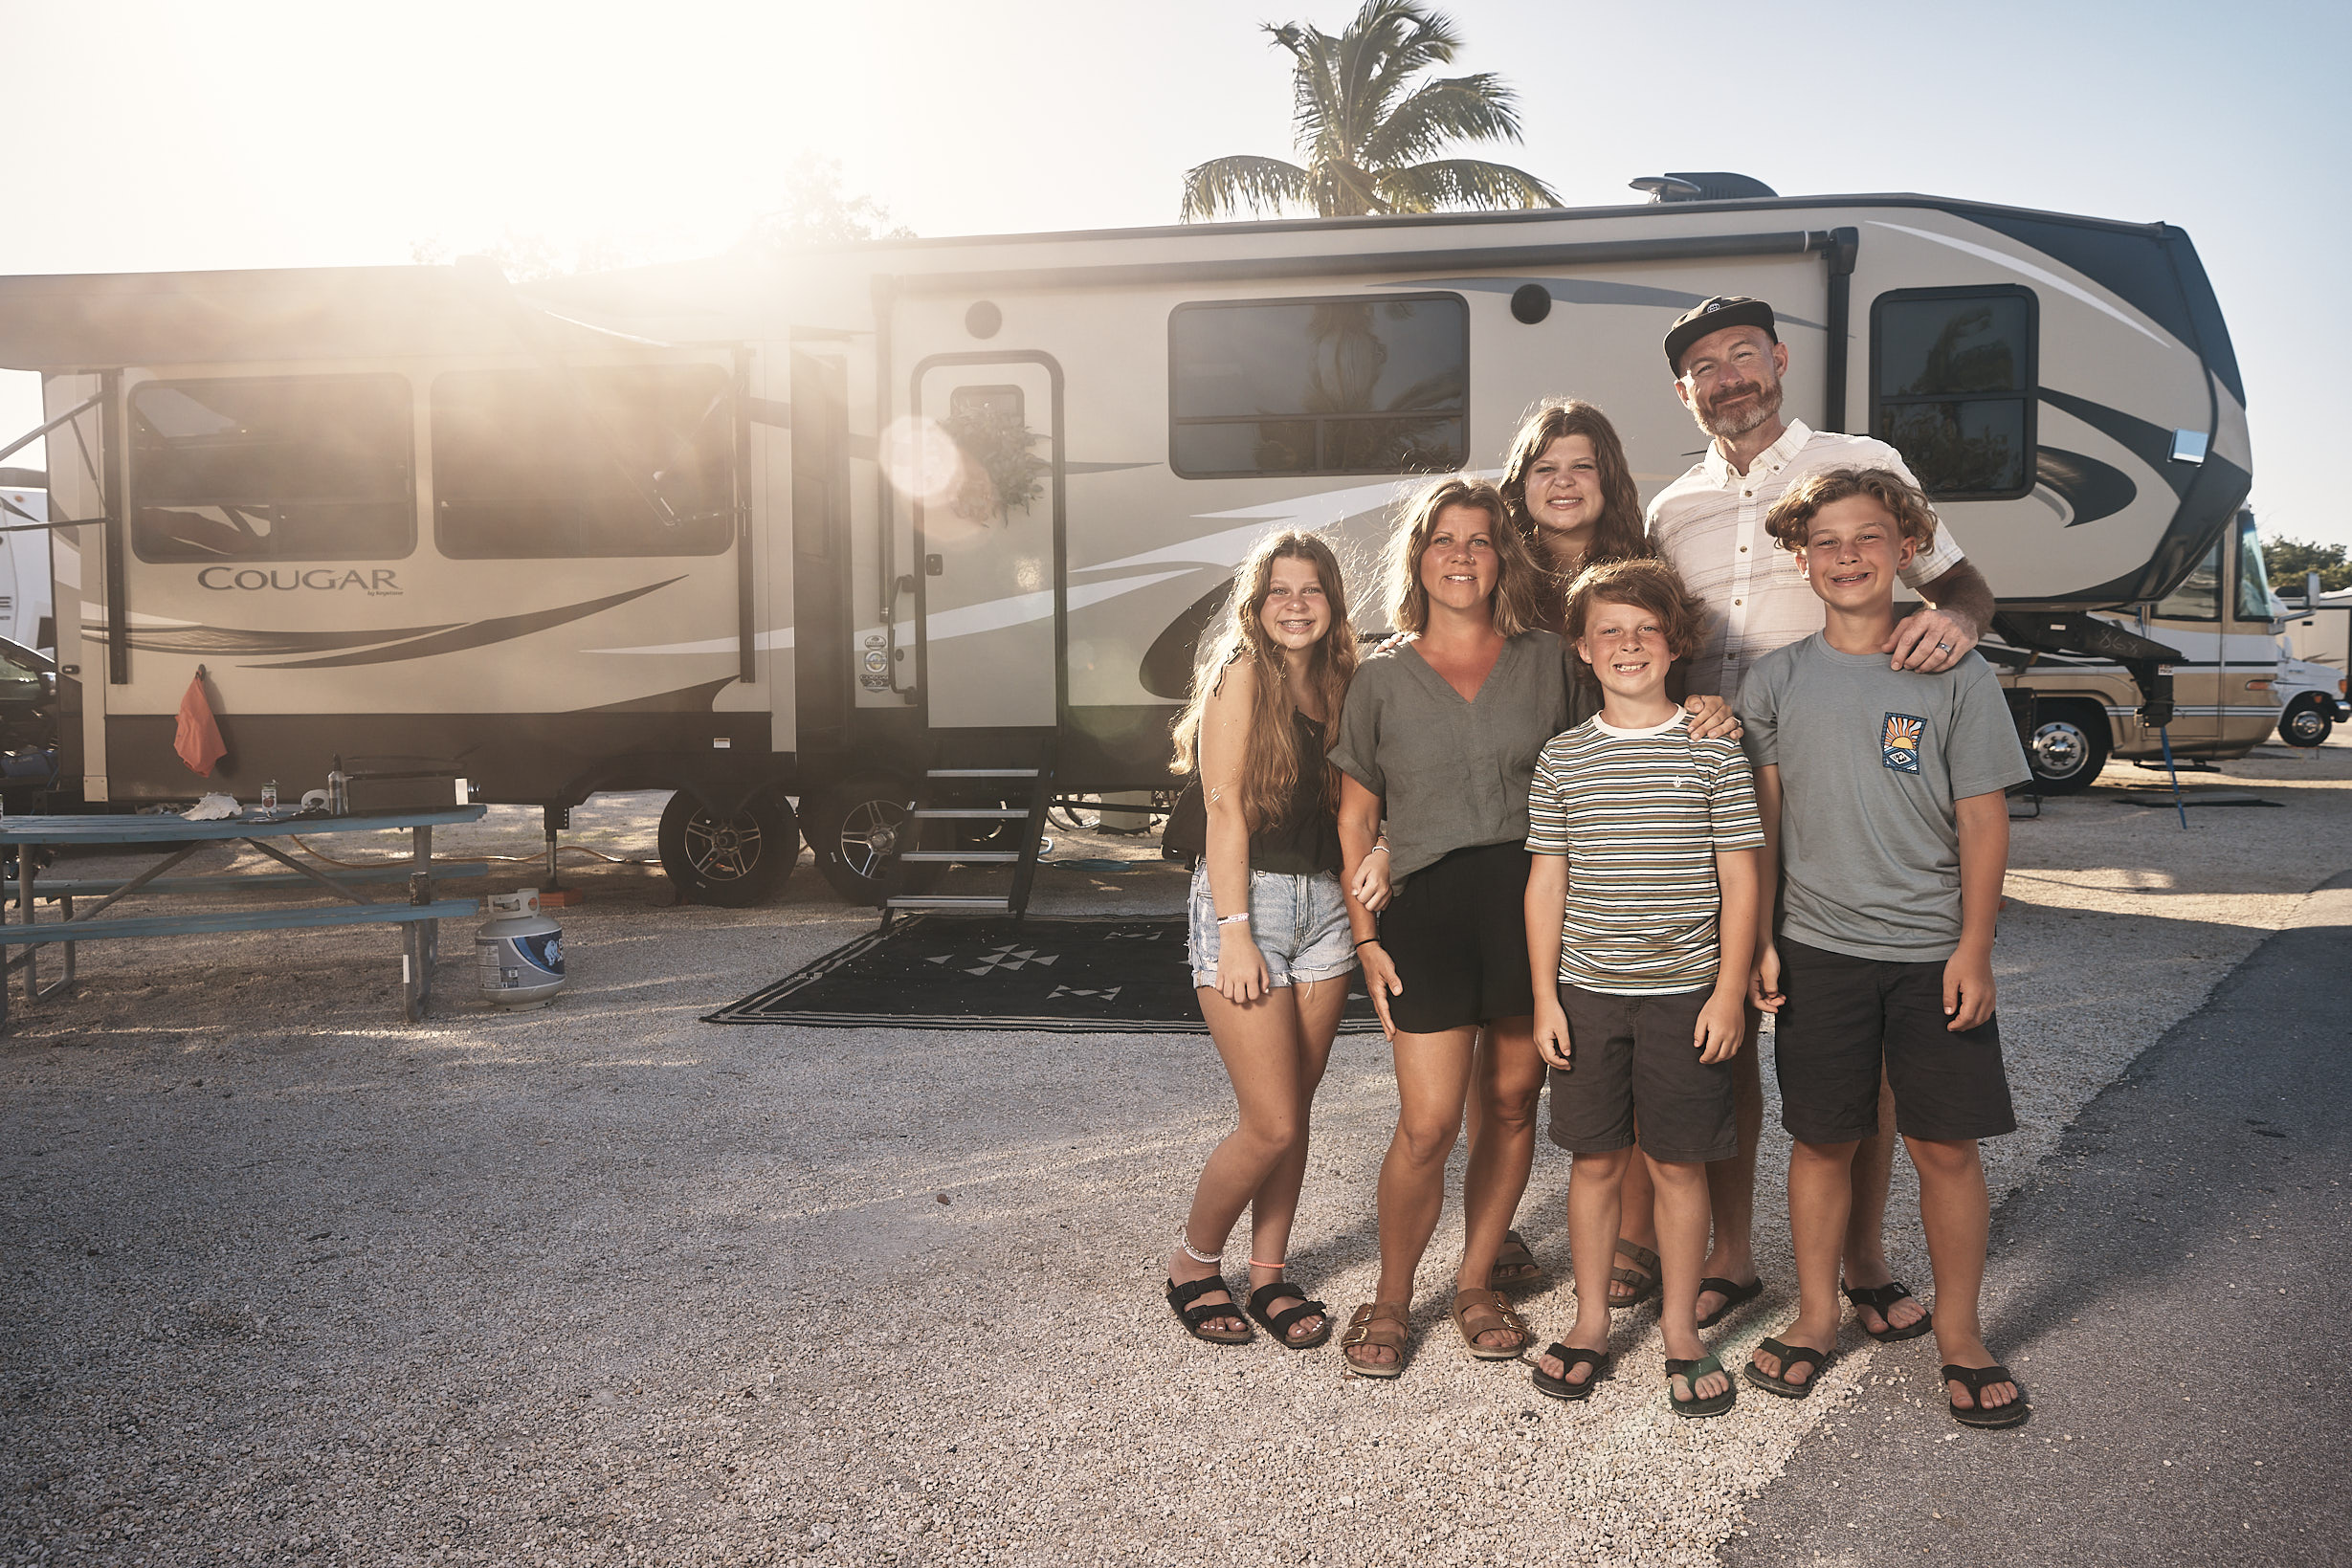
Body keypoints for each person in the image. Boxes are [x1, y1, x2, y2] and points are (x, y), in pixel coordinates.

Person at [1631, 295, 2000, 1336]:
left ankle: (1865, 1256)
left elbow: (1963, 582)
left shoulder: (1857, 459)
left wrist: (1955, 629)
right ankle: (1738, 1254)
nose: (1728, 375)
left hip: (1839, 789)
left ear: (1779, 359)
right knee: (1733, 1026)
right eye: (1704, 365)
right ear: (1685, 391)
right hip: (1718, 793)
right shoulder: (1672, 509)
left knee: (1859, 1031)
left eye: (1743, 353)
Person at [1736, 467, 2030, 1428]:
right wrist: (1764, 944)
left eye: (1868, 537)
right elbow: (1765, 825)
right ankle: (1818, 1312)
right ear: (1800, 558)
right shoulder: (1775, 678)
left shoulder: (1953, 669)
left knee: (1942, 1144)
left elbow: (1983, 821)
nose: (1848, 555)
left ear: (1907, 549)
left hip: (1929, 949)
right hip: (1817, 949)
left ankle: (1959, 1330)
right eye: (1826, 541)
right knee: (1822, 1137)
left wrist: (1974, 947)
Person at [1502, 396, 1744, 1307]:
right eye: (1544, 467)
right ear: (1522, 486)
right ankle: (1510, 1219)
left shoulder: (1642, 571)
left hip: (1642, 818)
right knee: (1536, 1049)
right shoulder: (1501, 576)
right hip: (1532, 816)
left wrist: (1711, 711)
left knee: (1646, 1041)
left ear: (1609, 478)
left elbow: (1677, 664)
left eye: (1581, 465)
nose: (1564, 482)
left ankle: (1638, 1236)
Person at [1328, 475, 1564, 1377]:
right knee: (1427, 1121)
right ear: (1418, 557)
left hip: (1531, 904)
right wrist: (1366, 940)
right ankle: (1391, 1295)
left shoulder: (1548, 660)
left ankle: (1474, 1281)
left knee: (1511, 1101)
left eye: (1480, 538)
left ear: (1502, 557)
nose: (1461, 553)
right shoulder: (1380, 676)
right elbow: (1356, 822)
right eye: (1443, 539)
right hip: (1423, 913)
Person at [1522, 557, 1764, 1417]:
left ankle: (1680, 1329)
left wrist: (1729, 990)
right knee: (1594, 1161)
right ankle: (1589, 1320)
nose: (1629, 644)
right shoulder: (1564, 760)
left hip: (1686, 994)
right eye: (1610, 632)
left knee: (1677, 1163)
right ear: (1583, 649)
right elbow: (1547, 882)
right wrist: (1546, 998)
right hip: (1587, 993)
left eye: (1646, 630)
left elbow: (1741, 879)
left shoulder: (1712, 753)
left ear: (1676, 645)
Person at [1164, 530, 1365, 1351]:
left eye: (1311, 588)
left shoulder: (1344, 681)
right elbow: (1223, 811)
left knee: (1296, 1108)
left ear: (1333, 601)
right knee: (1271, 1120)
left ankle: (1270, 1272)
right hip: (1248, 907)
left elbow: (1361, 806)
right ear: (1256, 603)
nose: (1295, 603)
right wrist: (1236, 932)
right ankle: (1191, 1262)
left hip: (1327, 911)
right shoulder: (1240, 673)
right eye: (1278, 590)